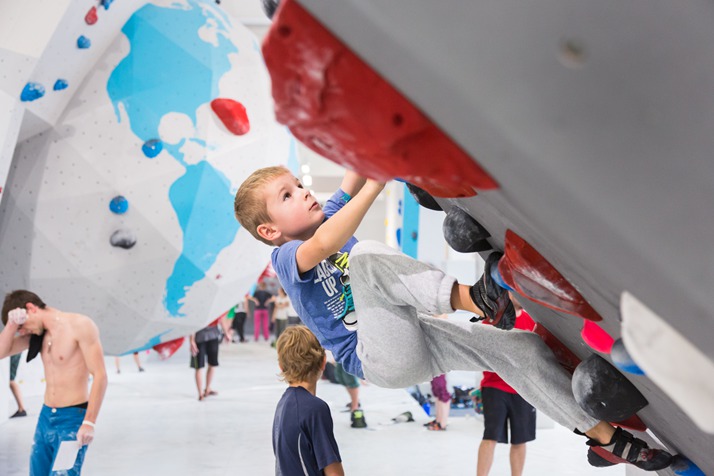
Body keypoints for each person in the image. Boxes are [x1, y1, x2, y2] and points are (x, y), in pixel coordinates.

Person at [233, 166, 672, 471]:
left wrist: (370, 143)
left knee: (519, 349)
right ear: (269, 231)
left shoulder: (324, 217)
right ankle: (478, 300)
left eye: (298, 185)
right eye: (288, 195)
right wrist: (376, 186)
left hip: (413, 336)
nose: (305, 193)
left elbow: (352, 173)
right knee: (364, 257)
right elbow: (330, 239)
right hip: (377, 358)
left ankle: (608, 441)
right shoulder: (286, 257)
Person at [0, 290, 108, 474]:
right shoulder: (38, 335)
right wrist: (11, 325)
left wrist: (89, 422)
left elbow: (100, 375)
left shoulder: (79, 325)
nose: (23, 331)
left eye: (22, 326)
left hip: (72, 419)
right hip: (46, 416)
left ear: (31, 308)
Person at [476, 295, 537, 476]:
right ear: (508, 294)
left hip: (524, 390)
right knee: (490, 436)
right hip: (495, 387)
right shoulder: (493, 320)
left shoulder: (532, 322)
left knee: (520, 440)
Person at [273, 325, 344, 475]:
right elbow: (334, 472)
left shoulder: (283, 403)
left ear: (281, 366)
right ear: (324, 361)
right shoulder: (315, 409)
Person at [190, 314, 231, 401]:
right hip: (199, 337)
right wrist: (192, 340)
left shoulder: (215, 304)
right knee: (199, 366)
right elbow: (192, 322)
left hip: (213, 335)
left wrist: (226, 333)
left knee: (212, 364)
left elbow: (221, 317)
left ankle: (207, 388)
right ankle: (200, 393)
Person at [9, 352, 27, 418]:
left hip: (11, 352)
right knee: (11, 380)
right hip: (15, 351)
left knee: (10, 380)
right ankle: (21, 408)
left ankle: (21, 408)